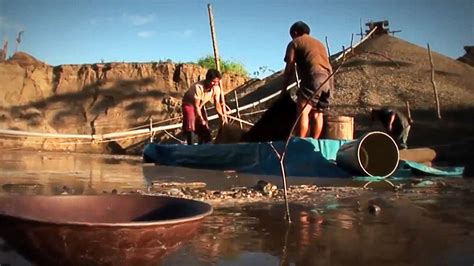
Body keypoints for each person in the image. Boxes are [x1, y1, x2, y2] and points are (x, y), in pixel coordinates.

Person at [281, 21, 333, 139]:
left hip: (314, 76)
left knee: (303, 110)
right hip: (329, 80)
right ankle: (314, 143)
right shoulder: (319, 44)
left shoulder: (295, 42)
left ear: (295, 33)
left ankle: (301, 142)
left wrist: (283, 89)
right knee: (318, 114)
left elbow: (289, 67)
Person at [182, 68, 227, 145]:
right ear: (208, 80)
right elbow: (196, 105)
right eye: (213, 81)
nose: (215, 84)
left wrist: (221, 116)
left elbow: (217, 104)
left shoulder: (216, 88)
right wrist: (200, 118)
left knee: (204, 125)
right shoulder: (198, 87)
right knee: (191, 121)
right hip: (189, 104)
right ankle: (191, 144)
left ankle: (204, 144)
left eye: (217, 82)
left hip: (200, 105)